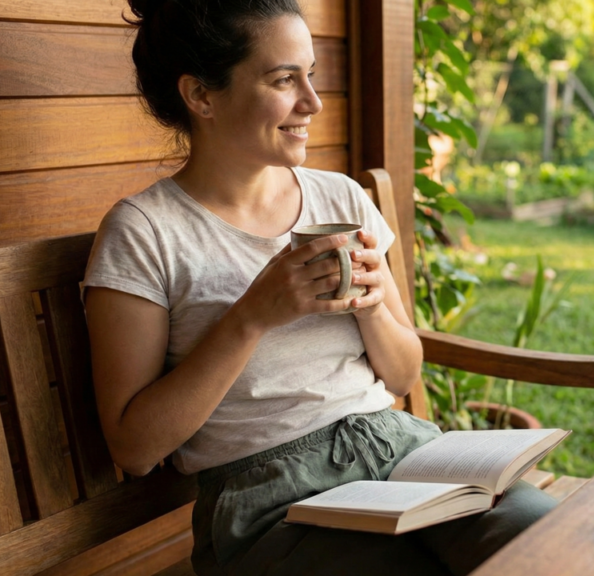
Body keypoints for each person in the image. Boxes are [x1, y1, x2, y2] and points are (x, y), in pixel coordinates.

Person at [82, 1, 556, 574]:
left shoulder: (342, 200)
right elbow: (134, 449)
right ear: (201, 96)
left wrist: (375, 306)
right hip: (273, 502)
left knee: (545, 540)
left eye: (311, 74)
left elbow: (404, 375)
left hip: (401, 454)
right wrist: (252, 316)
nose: (313, 102)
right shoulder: (147, 231)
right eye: (284, 79)